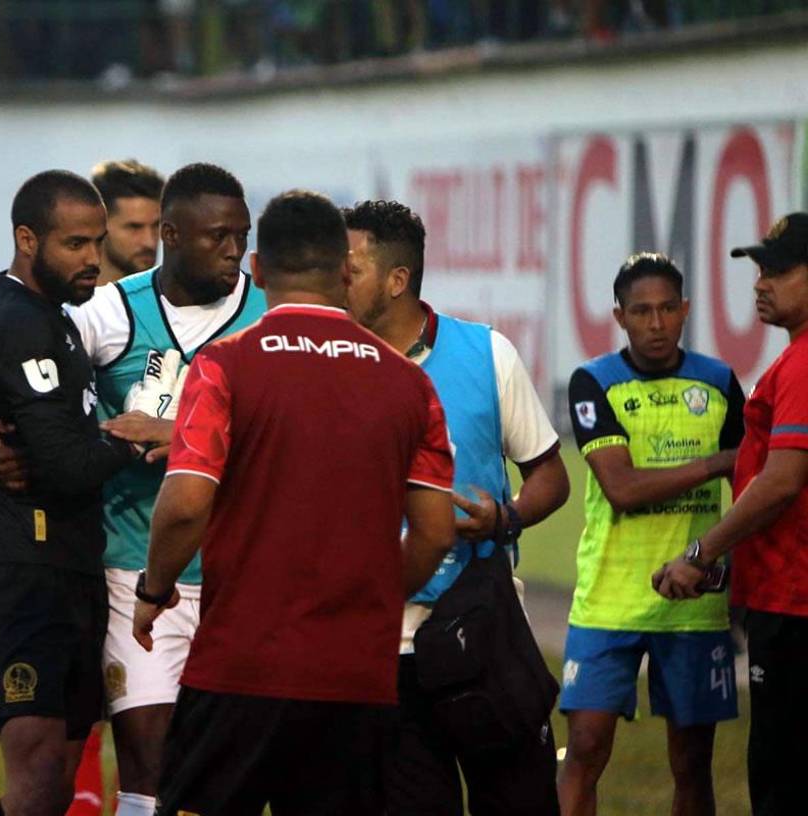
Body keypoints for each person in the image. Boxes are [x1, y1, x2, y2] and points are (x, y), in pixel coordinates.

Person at [0, 162, 262, 816]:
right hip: (131, 568)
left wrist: (183, 432)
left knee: (240, 766)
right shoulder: (101, 313)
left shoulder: (270, 315)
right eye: (216, 236)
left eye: (242, 234)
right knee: (146, 758)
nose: (233, 250)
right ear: (172, 235)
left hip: (247, 572)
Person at [134, 190, 458, 815]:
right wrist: (370, 598)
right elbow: (436, 534)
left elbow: (184, 504)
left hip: (240, 670)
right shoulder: (411, 384)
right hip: (356, 679)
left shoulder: (224, 366)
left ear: (256, 270)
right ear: (343, 270)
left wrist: (154, 590)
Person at [341, 199, 570, 815]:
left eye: (352, 266)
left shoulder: (487, 353)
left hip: (486, 631)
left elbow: (549, 474)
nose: (337, 278)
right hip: (382, 647)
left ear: (397, 279)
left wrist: (506, 517)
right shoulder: (332, 367)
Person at [0, 170, 141, 816]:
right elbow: (64, 466)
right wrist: (137, 439)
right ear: (27, 239)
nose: (92, 259)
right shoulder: (19, 320)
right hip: (23, 567)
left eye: (97, 242)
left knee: (59, 778)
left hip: (67, 562)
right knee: (37, 773)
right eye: (74, 245)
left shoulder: (40, 315)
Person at [560, 253, 746, 816]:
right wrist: (716, 463)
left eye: (668, 308)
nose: (657, 323)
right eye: (641, 311)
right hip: (608, 599)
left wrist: (735, 576)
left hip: (694, 602)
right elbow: (622, 487)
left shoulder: (718, 383)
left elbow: (752, 481)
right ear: (619, 316)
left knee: (692, 763)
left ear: (686, 308)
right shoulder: (594, 382)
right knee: (586, 749)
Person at [653, 212, 808, 816]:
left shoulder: (801, 364)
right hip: (784, 593)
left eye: (781, 269)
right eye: (759, 269)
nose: (760, 283)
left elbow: (783, 481)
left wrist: (701, 550)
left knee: (782, 781)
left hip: (794, 608)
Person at [90, 159, 165, 285]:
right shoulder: (63, 301)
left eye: (156, 226)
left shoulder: (175, 301)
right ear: (99, 225)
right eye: (134, 227)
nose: (150, 242)